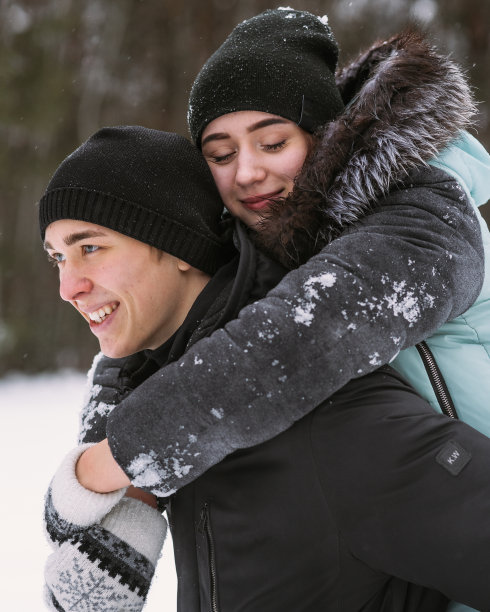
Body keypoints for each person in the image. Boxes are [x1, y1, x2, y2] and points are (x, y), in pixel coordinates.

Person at [43, 7, 490, 610]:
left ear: (326, 135)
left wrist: (117, 460)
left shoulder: (419, 216)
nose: (248, 172)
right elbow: (154, 338)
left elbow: (299, 342)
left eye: (273, 141)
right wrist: (128, 503)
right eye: (220, 154)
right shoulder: (271, 252)